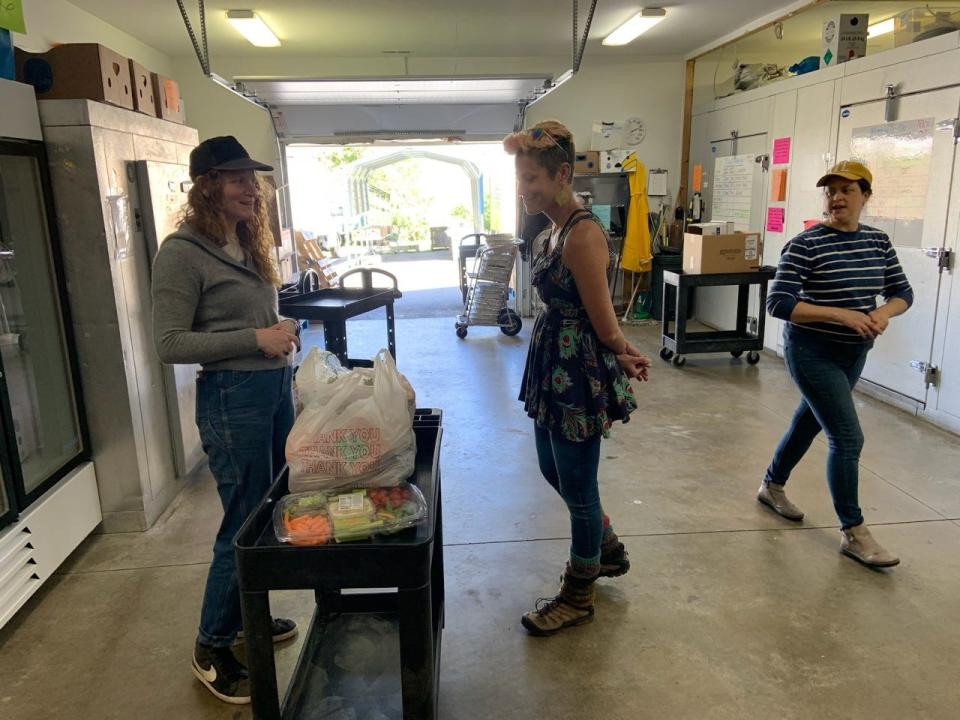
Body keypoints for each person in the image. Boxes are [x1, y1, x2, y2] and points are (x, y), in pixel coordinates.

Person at [152, 136, 301, 704]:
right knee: (242, 519)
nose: (249, 188)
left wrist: (278, 328)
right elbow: (169, 341)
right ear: (206, 184)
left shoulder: (244, 242)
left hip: (270, 388)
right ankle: (211, 645)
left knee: (269, 509)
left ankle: (243, 624)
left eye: (253, 179)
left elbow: (252, 315)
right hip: (231, 397)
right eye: (236, 177)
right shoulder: (182, 252)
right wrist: (254, 338)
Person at [503, 120, 651, 636]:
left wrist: (626, 352)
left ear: (562, 173)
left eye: (532, 180)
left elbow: (604, 320)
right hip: (551, 363)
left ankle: (579, 592)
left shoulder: (583, 234)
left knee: (580, 488)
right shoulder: (550, 229)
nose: (524, 190)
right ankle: (606, 547)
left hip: (576, 372)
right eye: (520, 180)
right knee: (553, 470)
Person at [762, 160, 912, 568]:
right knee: (847, 438)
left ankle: (771, 485)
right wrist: (842, 314)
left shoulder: (878, 242)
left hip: (853, 354)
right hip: (812, 353)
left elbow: (902, 292)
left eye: (847, 190)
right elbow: (780, 303)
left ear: (866, 196)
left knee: (809, 420)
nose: (837, 197)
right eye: (831, 190)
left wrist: (884, 313)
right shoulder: (806, 244)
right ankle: (854, 532)